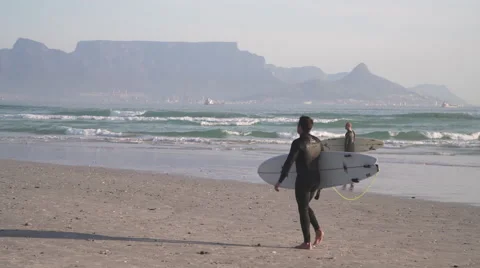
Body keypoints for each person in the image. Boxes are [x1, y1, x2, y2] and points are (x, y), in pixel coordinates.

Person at [274, 115, 324, 250]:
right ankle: (318, 229)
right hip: (316, 180)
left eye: (297, 125)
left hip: (304, 180)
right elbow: (323, 164)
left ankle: (307, 243)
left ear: (300, 127)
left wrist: (280, 181)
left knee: (303, 209)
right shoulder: (318, 141)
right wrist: (320, 187)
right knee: (305, 206)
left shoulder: (298, 143)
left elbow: (289, 162)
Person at [342, 121, 356, 191]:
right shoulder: (353, 132)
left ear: (348, 126)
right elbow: (354, 142)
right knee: (350, 168)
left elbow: (346, 144)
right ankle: (351, 183)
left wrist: (345, 153)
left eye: (345, 126)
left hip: (348, 153)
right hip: (352, 153)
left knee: (346, 168)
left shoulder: (348, 134)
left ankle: (347, 183)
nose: (344, 127)